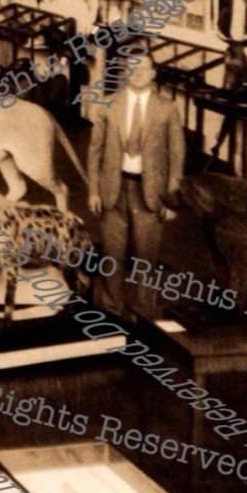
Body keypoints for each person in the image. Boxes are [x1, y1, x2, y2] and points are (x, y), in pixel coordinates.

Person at [87, 49, 185, 318]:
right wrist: (94, 190)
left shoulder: (167, 108)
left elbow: (177, 156)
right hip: (113, 190)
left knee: (146, 257)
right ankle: (110, 312)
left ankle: (143, 316)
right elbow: (95, 151)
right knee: (112, 256)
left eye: (143, 67)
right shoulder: (108, 104)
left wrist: (172, 199)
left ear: (153, 74)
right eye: (132, 67)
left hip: (151, 194)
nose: (137, 72)